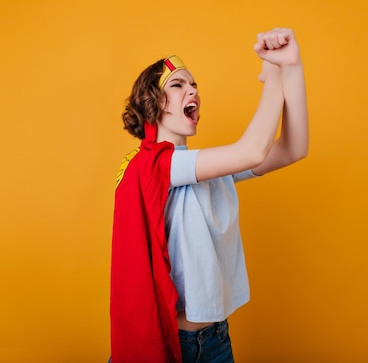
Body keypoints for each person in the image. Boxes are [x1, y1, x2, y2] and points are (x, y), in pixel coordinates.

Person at [110, 28, 308, 363]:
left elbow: (292, 149)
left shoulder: (204, 169)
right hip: (175, 344)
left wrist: (292, 68)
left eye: (194, 85)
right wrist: (273, 75)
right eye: (178, 85)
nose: (193, 91)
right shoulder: (154, 165)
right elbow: (251, 151)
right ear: (154, 103)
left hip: (215, 340)